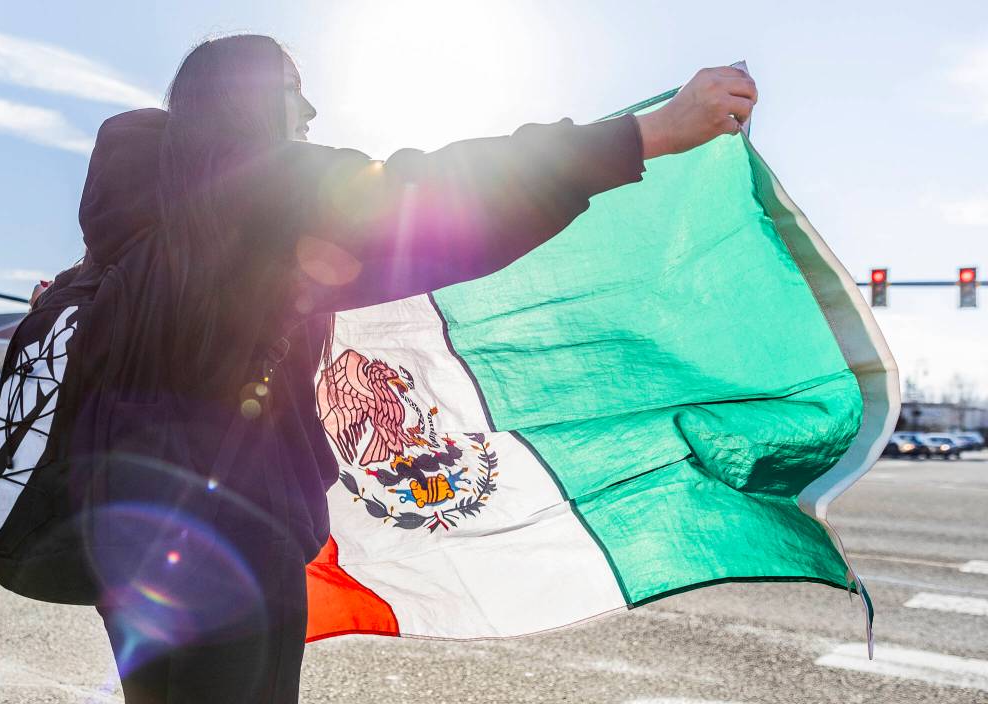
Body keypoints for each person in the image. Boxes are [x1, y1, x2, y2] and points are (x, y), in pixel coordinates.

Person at [72, 34, 755, 704]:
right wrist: (648, 134)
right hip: (233, 541)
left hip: (123, 531)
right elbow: (427, 193)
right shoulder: (256, 195)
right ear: (241, 102)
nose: (308, 114)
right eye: (290, 94)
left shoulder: (138, 221)